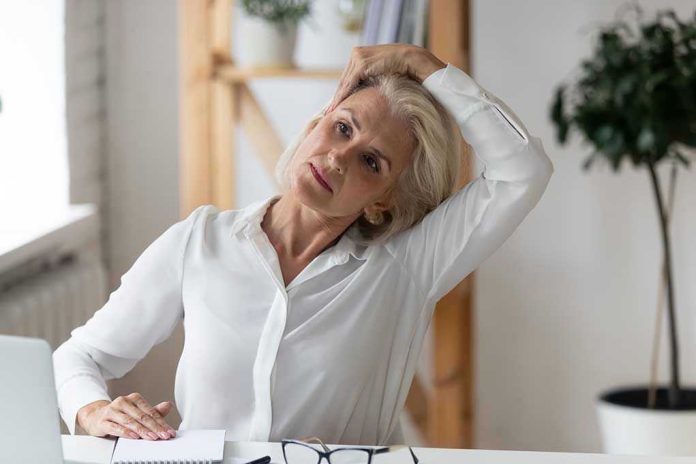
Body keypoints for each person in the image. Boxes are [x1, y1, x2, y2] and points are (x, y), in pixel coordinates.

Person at [53, 44, 553, 445]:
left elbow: (522, 172)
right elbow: (80, 356)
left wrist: (423, 63)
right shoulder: (199, 242)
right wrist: (94, 410)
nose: (338, 159)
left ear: (382, 202)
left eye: (371, 163)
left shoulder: (406, 267)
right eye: (342, 128)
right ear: (315, 125)